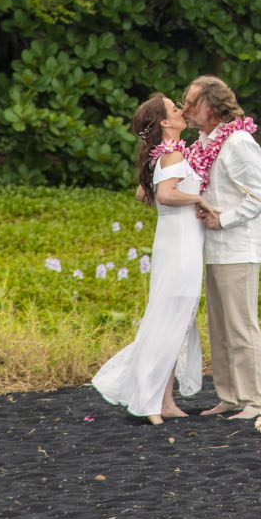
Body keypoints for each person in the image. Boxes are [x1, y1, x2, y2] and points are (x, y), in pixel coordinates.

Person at [92, 94, 216, 424]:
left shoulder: (163, 154)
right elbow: (163, 194)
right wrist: (197, 199)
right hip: (180, 245)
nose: (181, 112)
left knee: (176, 318)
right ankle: (147, 401)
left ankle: (166, 400)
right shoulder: (172, 152)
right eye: (176, 109)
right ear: (164, 122)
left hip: (175, 239)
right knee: (169, 319)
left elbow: (142, 192)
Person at [182, 75, 261, 420]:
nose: (186, 109)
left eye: (192, 102)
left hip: (238, 248)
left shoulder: (237, 142)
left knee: (240, 327)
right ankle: (229, 396)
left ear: (210, 105)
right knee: (218, 327)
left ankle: (254, 402)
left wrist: (225, 219)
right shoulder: (206, 142)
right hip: (212, 250)